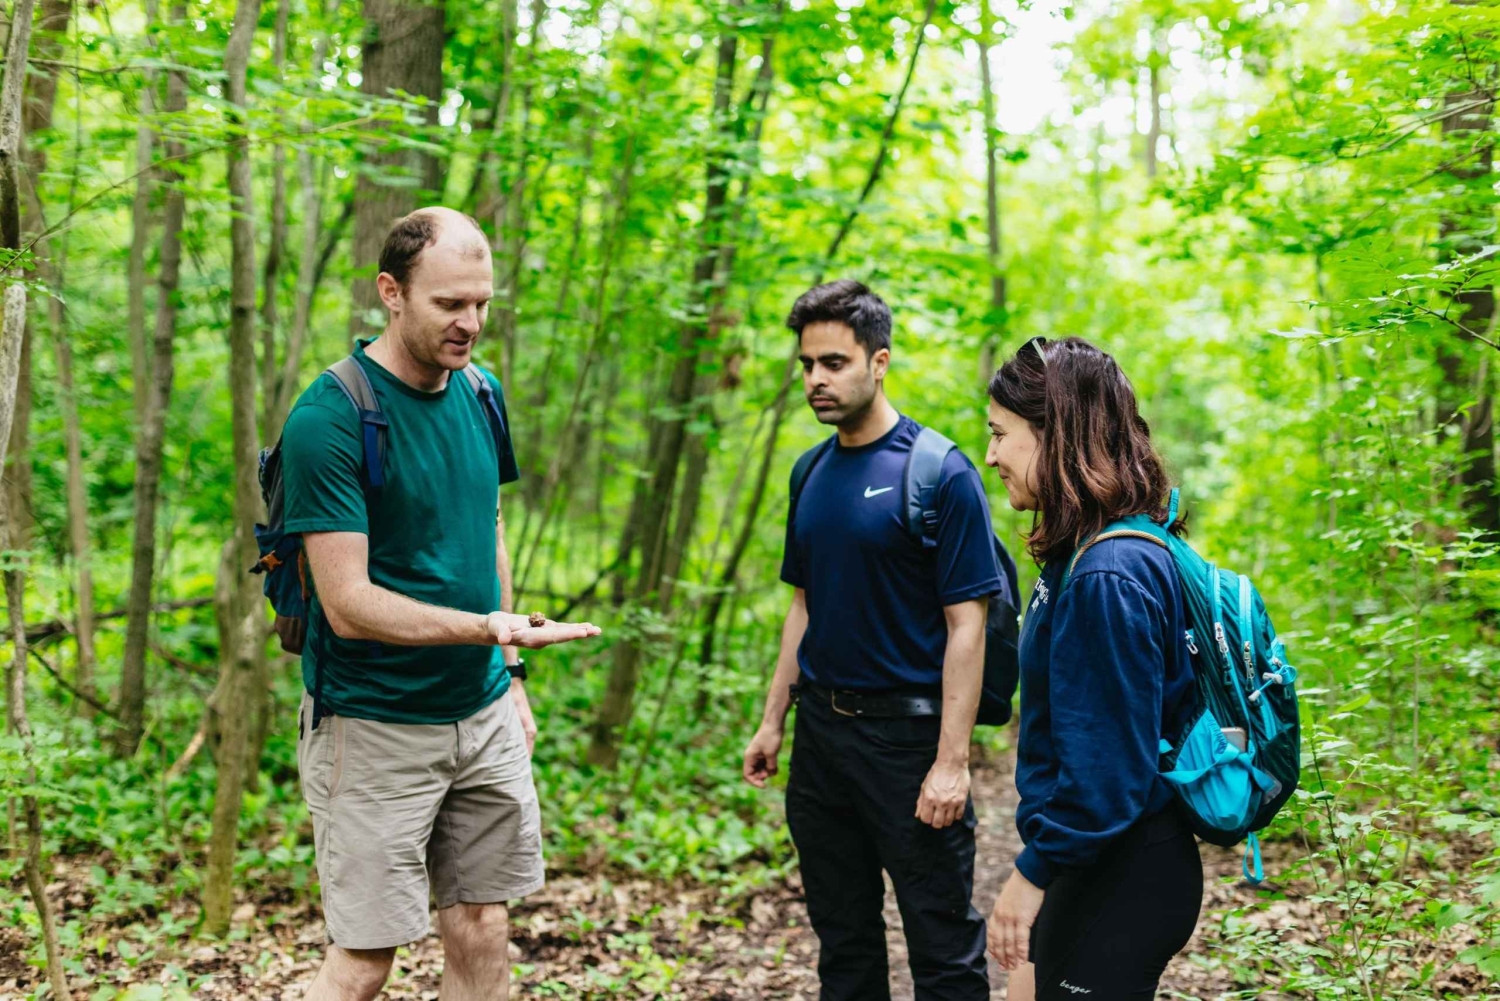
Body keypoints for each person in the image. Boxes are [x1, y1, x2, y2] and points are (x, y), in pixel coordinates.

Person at [281, 206, 601, 1001]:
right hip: (374, 722)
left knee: (483, 923)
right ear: (391, 292)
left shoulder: (480, 392)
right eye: (450, 304)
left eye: (483, 303)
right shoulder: (329, 418)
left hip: (482, 713)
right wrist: (488, 628)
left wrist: (511, 666)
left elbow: (486, 526)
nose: (472, 323)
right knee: (365, 960)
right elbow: (348, 602)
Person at [743, 279, 1005, 1000]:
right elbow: (804, 607)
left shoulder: (940, 472)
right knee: (844, 943)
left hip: (908, 744)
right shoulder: (810, 472)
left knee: (943, 947)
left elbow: (967, 624)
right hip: (822, 741)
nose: (816, 380)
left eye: (834, 362)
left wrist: (952, 762)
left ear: (879, 360)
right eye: (806, 364)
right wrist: (773, 721)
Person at [983, 335, 1203, 1001]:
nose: (991, 455)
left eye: (1001, 434)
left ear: (1057, 433)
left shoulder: (1108, 570)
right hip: (1099, 861)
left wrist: (1031, 872)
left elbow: (1107, 770)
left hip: (1121, 870)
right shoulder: (1084, 553)